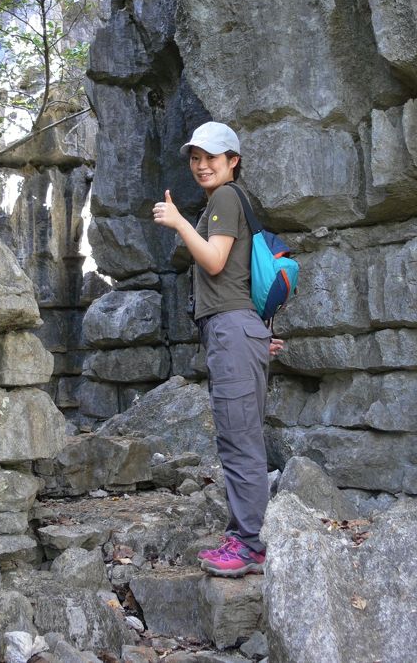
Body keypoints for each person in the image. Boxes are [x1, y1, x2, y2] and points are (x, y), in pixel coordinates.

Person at [152, 121, 284, 578]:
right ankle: (245, 537)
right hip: (236, 331)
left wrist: (178, 222)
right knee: (238, 435)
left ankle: (249, 546)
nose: (201, 165)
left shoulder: (226, 198)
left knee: (238, 440)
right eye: (194, 157)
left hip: (233, 331)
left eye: (211, 156)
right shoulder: (221, 202)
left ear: (233, 161)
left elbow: (214, 260)